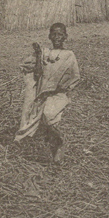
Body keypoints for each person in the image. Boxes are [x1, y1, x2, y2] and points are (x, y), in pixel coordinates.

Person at [15, 23, 81, 163]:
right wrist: (38, 55)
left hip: (59, 94)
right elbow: (37, 73)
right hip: (43, 93)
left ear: (65, 37)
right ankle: (47, 146)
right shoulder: (45, 53)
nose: (57, 37)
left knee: (48, 115)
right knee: (33, 116)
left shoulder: (69, 55)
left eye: (60, 34)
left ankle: (60, 141)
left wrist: (62, 89)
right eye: (54, 34)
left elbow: (75, 77)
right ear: (49, 36)